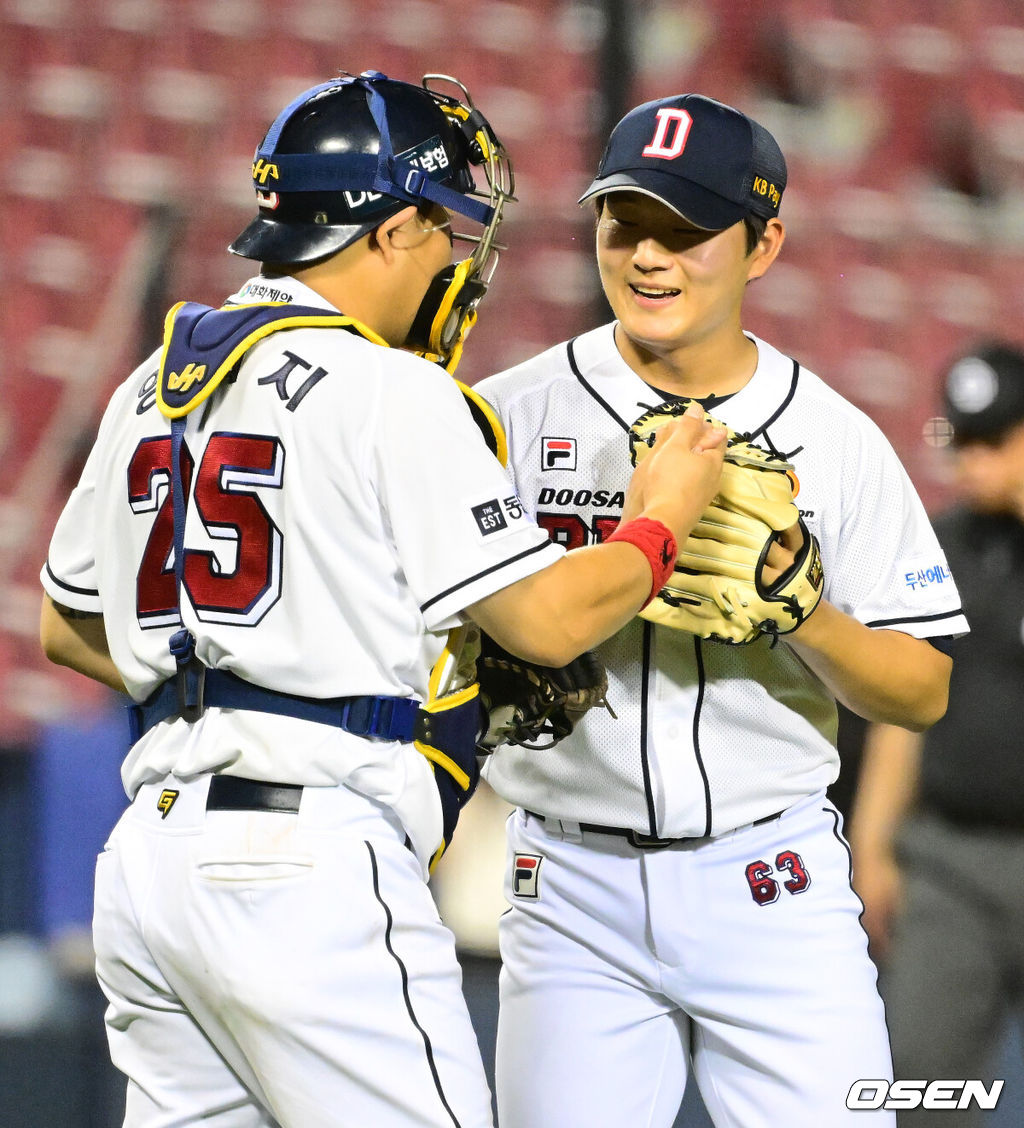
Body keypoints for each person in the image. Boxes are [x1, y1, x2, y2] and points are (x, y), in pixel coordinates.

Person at [37, 72, 729, 1128]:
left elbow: (70, 628)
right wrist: (661, 520)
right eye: (445, 229)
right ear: (394, 228)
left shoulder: (151, 383)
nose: (456, 256)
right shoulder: (390, 390)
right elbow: (545, 622)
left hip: (148, 866)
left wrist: (266, 652)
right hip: (306, 869)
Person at [474, 92, 967, 1127]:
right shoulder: (511, 415)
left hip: (771, 882)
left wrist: (806, 614)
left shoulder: (834, 437)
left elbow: (922, 691)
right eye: (626, 223)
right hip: (567, 882)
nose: (649, 257)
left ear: (762, 244)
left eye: (686, 231)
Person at [850, 342, 1024, 1126]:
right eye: (964, 439)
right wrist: (874, 840)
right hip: (950, 861)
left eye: (995, 440)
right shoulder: (943, 546)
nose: (973, 461)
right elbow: (906, 705)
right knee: (919, 1086)